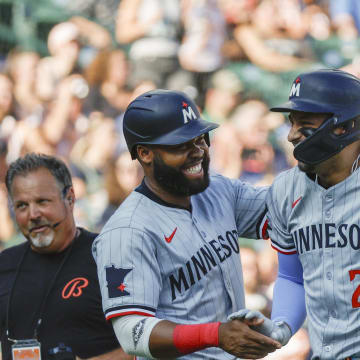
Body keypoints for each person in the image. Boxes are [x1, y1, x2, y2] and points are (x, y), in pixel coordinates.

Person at [92, 89, 282, 359]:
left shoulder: (217, 190)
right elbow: (132, 332)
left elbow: (285, 211)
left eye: (200, 139)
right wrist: (214, 334)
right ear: (145, 153)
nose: (198, 152)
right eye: (181, 144)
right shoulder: (125, 232)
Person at [230, 69, 360, 359]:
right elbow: (293, 276)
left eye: (305, 123)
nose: (291, 134)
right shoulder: (286, 189)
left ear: (345, 125)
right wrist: (282, 326)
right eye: (292, 122)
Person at [0, 153, 133, 360]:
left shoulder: (109, 256)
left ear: (70, 198)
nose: (33, 214)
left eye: (42, 201)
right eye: (22, 206)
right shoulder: (4, 265)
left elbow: (146, 342)